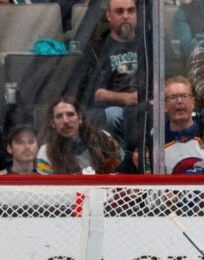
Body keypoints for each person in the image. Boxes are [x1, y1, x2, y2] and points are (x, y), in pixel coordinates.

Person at [78, 0, 138, 145]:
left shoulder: (150, 43)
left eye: (130, 11)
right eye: (119, 11)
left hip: (147, 108)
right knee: (113, 115)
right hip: (112, 111)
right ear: (109, 15)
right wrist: (126, 98)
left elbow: (170, 75)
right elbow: (95, 93)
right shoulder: (96, 49)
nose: (126, 16)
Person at [37, 96, 121, 174]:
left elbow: (122, 169)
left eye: (70, 114)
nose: (65, 121)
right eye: (59, 116)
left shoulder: (104, 138)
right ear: (52, 123)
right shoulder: (45, 153)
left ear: (80, 118)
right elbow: (47, 188)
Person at [163, 76, 204, 174]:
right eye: (173, 97)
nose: (179, 101)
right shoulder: (157, 139)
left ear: (193, 103)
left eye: (184, 96)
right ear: (164, 105)